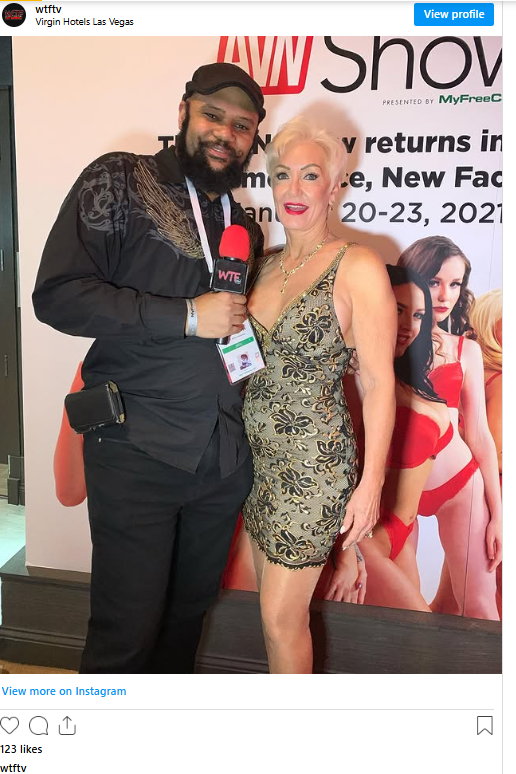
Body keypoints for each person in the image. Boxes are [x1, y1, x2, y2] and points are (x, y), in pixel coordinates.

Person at [32, 62, 266, 673]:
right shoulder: (119, 179)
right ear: (184, 112)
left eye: (242, 126)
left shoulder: (243, 226)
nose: (225, 134)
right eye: (213, 115)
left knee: (186, 622)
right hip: (137, 448)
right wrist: (186, 316)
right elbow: (57, 295)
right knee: (127, 633)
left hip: (220, 458)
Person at [241, 117, 397, 673]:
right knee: (271, 615)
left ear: (333, 188)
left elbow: (378, 383)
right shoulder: (261, 265)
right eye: (282, 175)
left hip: (314, 467)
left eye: (310, 175)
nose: (294, 188)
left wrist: (370, 485)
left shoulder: (357, 266)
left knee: (282, 620)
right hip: (256, 464)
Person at [398, 237, 501, 620]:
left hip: (459, 485)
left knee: (479, 609)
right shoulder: (384, 344)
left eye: (455, 284)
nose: (445, 295)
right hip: (396, 491)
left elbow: (480, 436)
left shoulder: (465, 350)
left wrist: (498, 514)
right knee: (400, 613)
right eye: (434, 281)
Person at [356, 266, 451, 612]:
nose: (410, 325)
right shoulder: (356, 377)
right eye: (398, 310)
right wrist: (350, 554)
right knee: (420, 635)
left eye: (419, 315)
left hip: (401, 535)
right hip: (364, 538)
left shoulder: (410, 383)